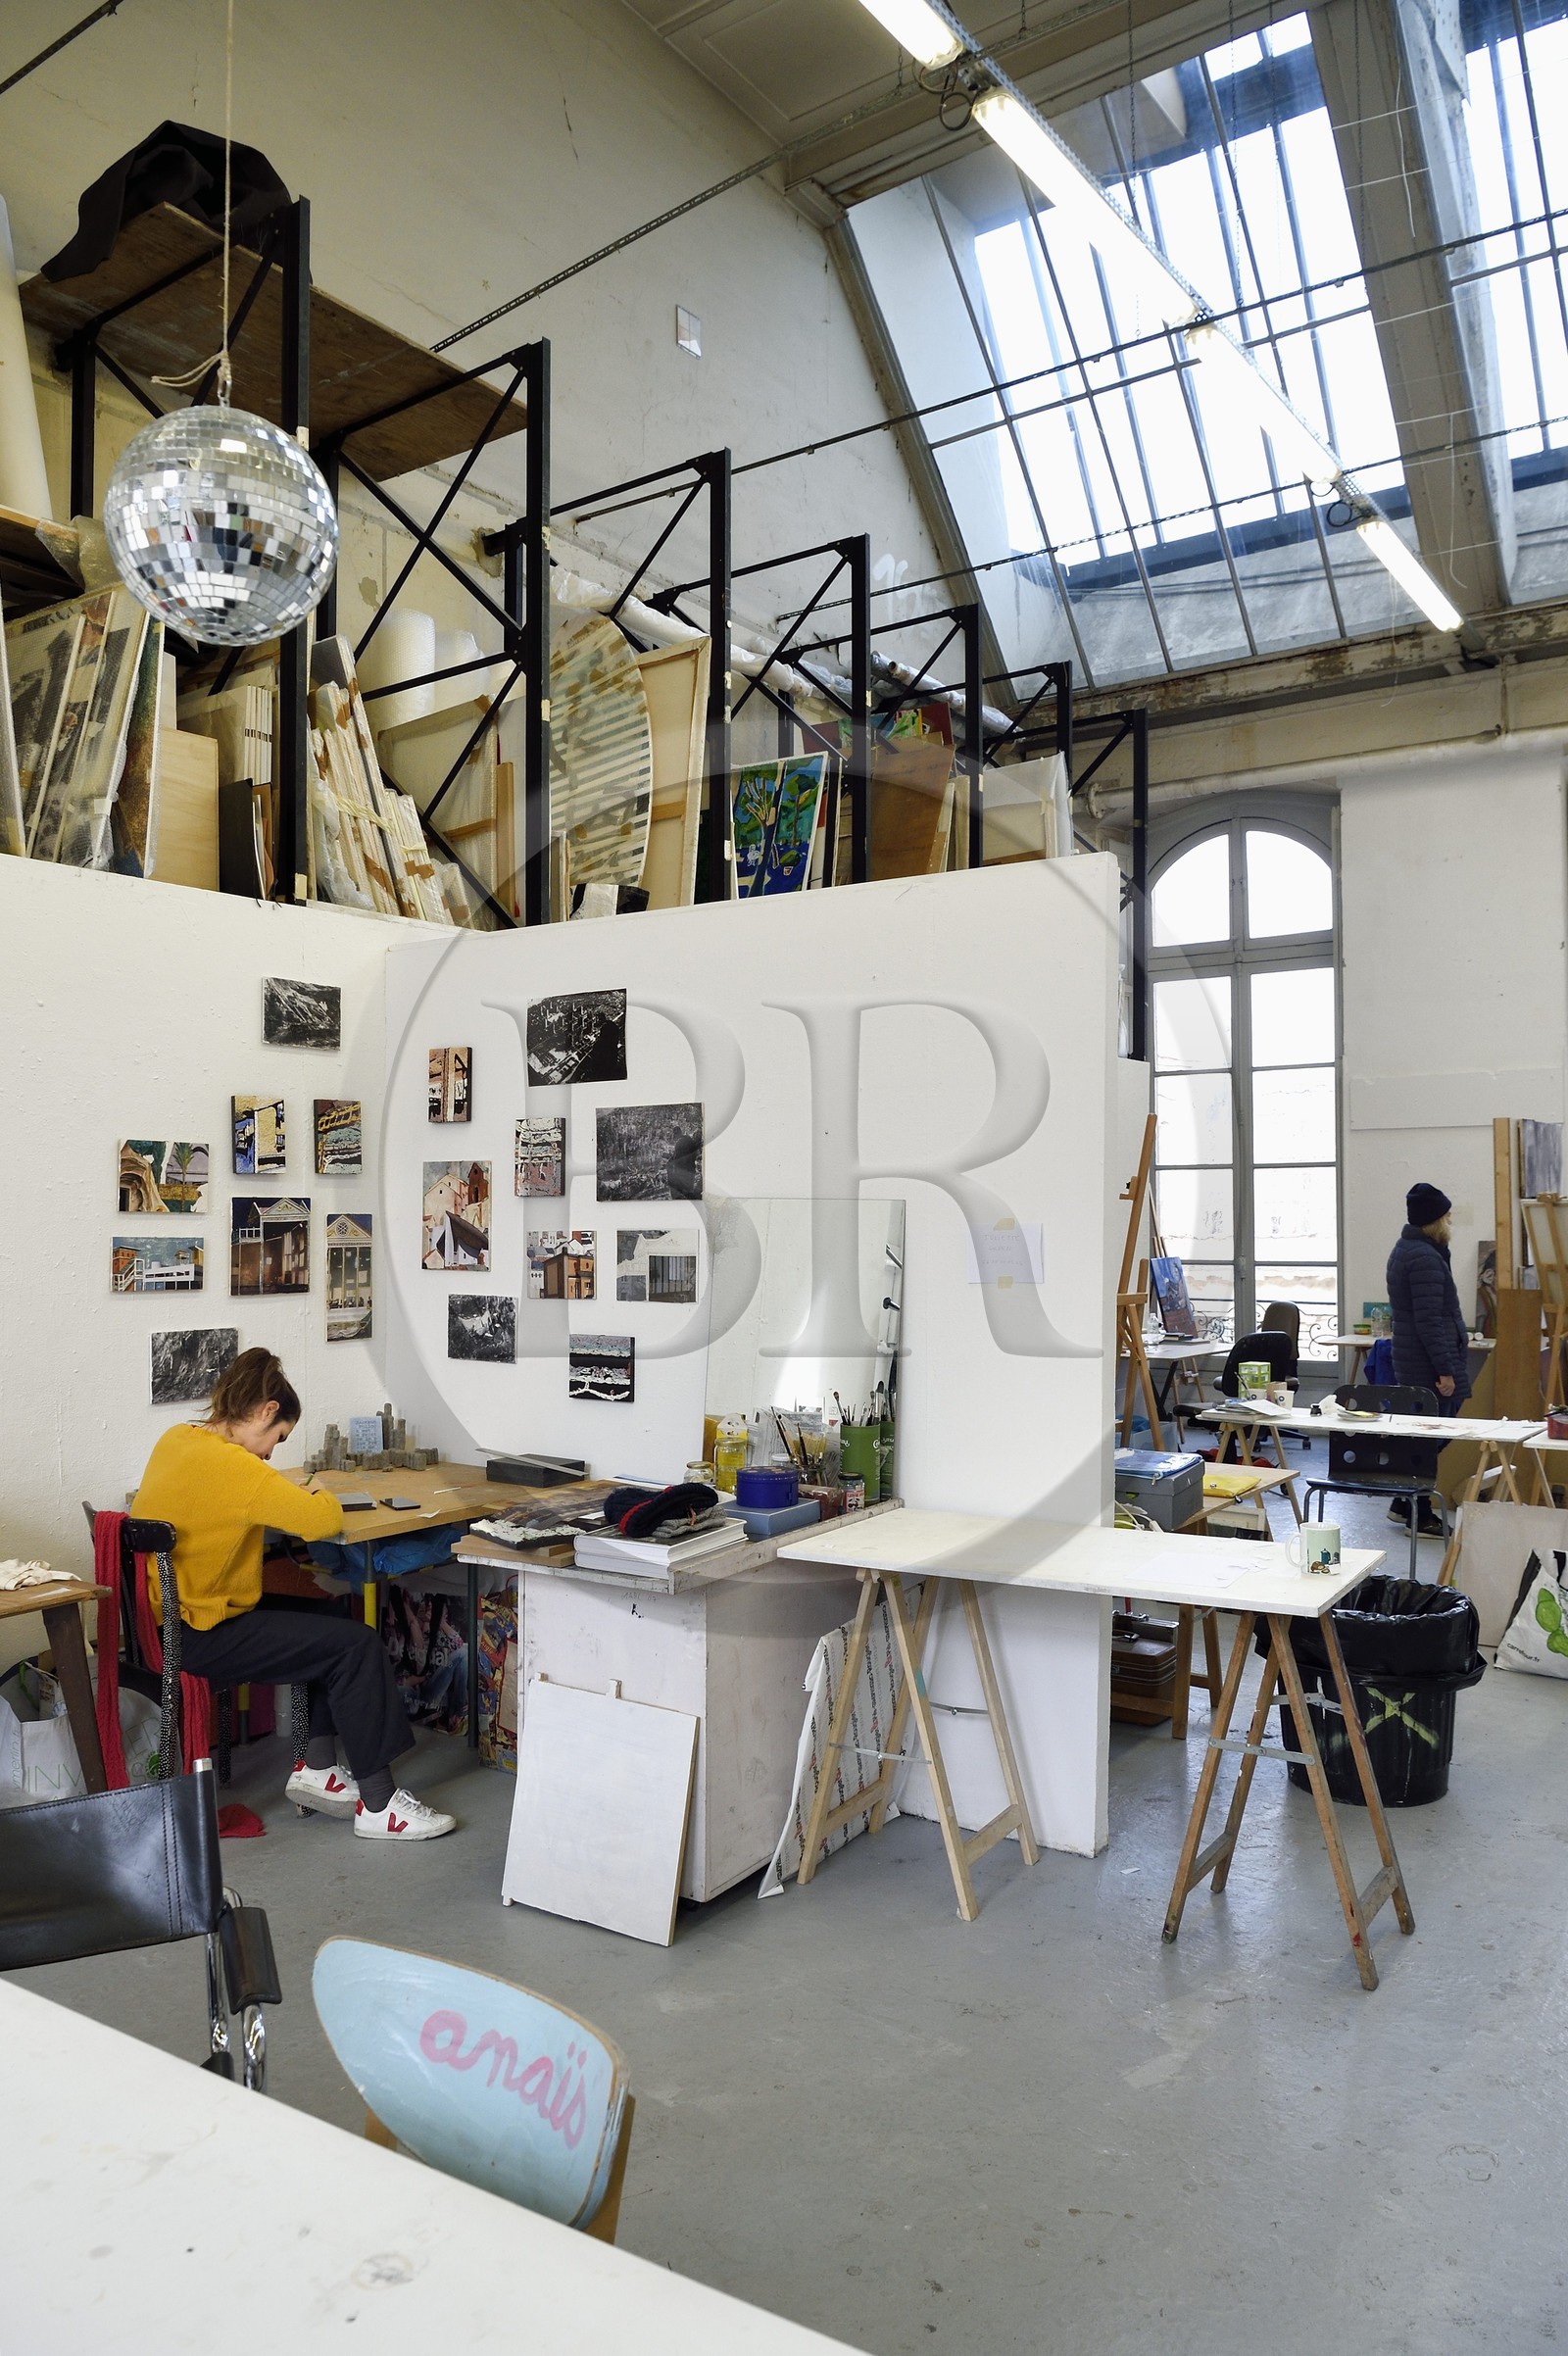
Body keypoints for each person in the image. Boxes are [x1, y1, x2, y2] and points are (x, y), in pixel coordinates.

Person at [131, 1348, 456, 1841]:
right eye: (277, 1437)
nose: (271, 1453)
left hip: (164, 1625)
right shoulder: (239, 1470)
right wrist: (310, 1488)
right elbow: (324, 1519)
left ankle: (319, 1769)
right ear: (265, 1411)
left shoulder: (177, 1439)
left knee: (337, 1623)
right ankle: (380, 1806)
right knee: (357, 1645)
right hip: (201, 1634)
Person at [1386, 1181, 1470, 1534]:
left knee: (1422, 1436)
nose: (1450, 1222)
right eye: (1447, 1217)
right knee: (1430, 1436)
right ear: (1434, 1220)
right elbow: (1430, 1320)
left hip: (1416, 1359)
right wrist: (1445, 1370)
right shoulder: (1423, 1258)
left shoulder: (1410, 1249)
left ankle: (1403, 1503)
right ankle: (1420, 1515)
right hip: (1427, 1364)